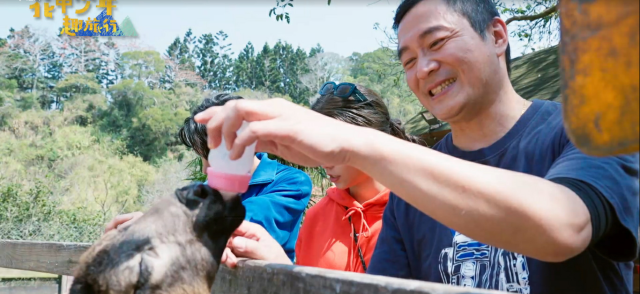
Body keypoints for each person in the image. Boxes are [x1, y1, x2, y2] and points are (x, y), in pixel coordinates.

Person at [192, 0, 639, 293]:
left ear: (498, 36)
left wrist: (355, 143)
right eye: (407, 60)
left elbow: (564, 226)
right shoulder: (412, 189)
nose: (423, 68)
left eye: (437, 42)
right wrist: (281, 272)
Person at [221, 82, 422, 273]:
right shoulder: (317, 216)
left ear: (372, 139)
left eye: (333, 147)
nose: (324, 160)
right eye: (318, 147)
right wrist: (279, 263)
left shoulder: (420, 210)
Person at [104, 93, 313, 263]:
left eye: (209, 157)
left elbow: (244, 223)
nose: (205, 169)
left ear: (238, 144)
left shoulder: (291, 182)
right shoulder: (203, 190)